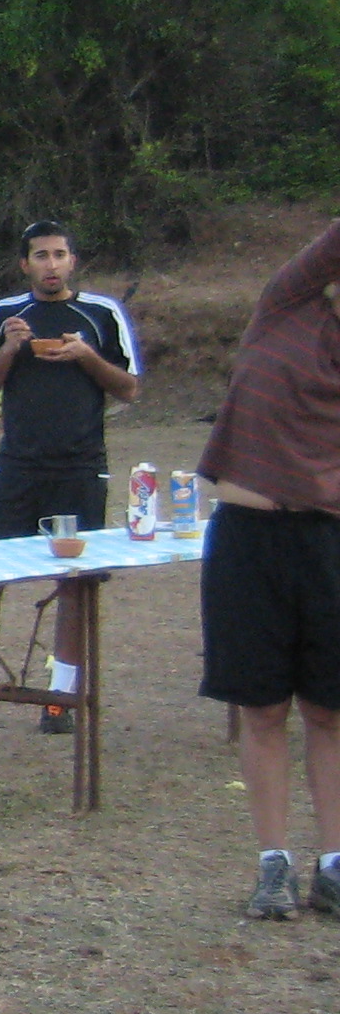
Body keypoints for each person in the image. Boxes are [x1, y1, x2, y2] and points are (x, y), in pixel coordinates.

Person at [199, 218, 340, 920]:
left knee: (330, 711)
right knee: (261, 708)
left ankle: (335, 867)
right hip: (248, 534)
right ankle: (274, 866)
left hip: (329, 544)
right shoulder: (286, 305)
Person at [0, 222, 141, 731]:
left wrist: (87, 356)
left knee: (74, 580)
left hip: (81, 466)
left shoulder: (103, 314)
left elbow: (129, 388)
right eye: (41, 255)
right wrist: (11, 349)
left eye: (60, 254)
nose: (51, 264)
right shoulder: (4, 314)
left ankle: (61, 693)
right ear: (25, 265)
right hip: (18, 463)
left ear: (73, 261)